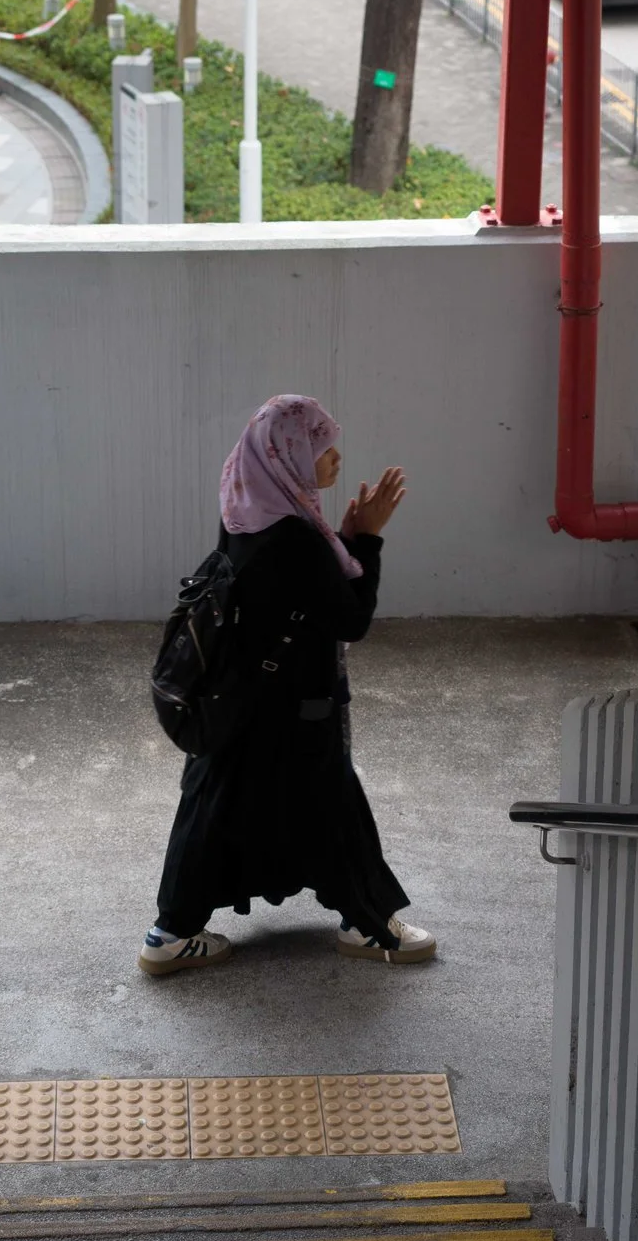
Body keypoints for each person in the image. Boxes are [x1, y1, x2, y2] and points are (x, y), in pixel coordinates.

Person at [140, 396, 431, 976]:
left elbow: (295, 598)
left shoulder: (244, 512)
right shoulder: (297, 539)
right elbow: (350, 620)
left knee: (215, 805)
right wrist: (367, 541)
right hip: (294, 709)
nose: (335, 458)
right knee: (334, 808)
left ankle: (169, 935)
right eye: (319, 447)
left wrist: (342, 541)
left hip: (240, 700)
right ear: (285, 455)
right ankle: (370, 925)